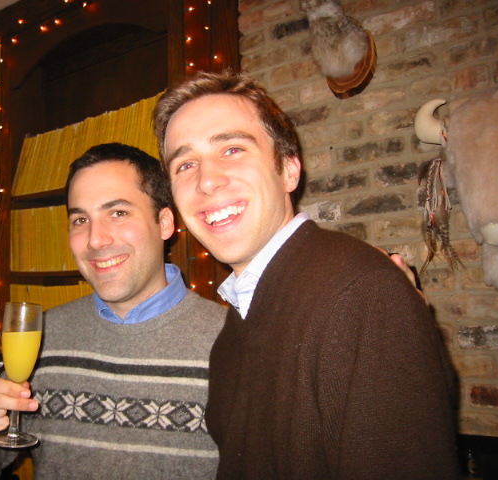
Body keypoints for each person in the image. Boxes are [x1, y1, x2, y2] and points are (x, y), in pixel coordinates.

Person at [153, 71, 459, 479]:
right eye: (185, 164)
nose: (206, 181)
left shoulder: (361, 293)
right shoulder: (239, 319)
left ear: (288, 170)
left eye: (232, 149)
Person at [0, 143, 226, 479]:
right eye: (80, 219)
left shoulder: (233, 342)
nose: (95, 240)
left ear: (165, 223)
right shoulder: (41, 337)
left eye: (118, 213)